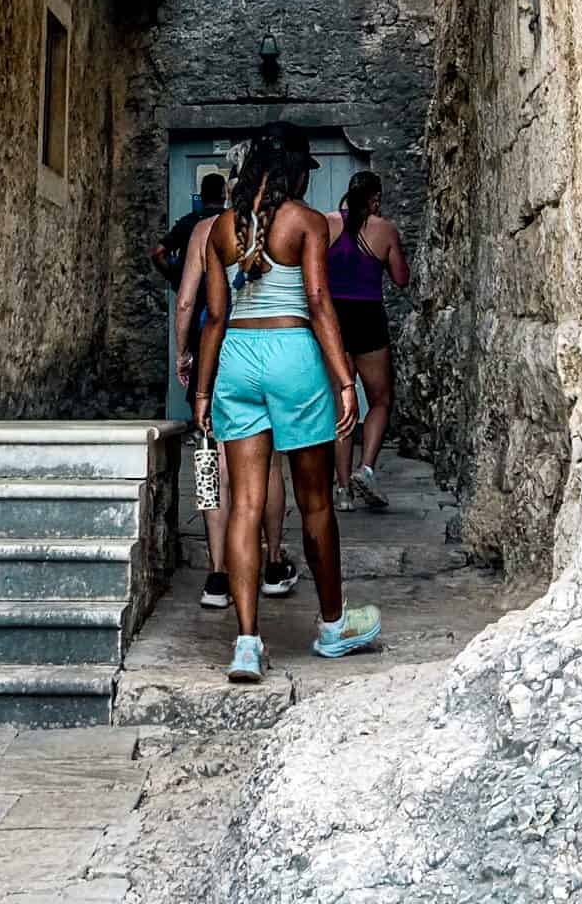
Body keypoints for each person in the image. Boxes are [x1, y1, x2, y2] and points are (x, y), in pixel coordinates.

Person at [194, 126, 382, 684]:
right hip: (294, 356)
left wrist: (203, 391)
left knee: (245, 504)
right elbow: (320, 301)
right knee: (315, 500)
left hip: (237, 361)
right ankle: (331, 626)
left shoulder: (221, 229)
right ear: (296, 171)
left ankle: (247, 644)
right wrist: (345, 379)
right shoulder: (306, 222)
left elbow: (214, 318)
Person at [174, 168, 298, 608]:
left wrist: (183, 353)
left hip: (216, 355)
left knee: (212, 462)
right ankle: (274, 561)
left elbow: (188, 299)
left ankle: (217, 573)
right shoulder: (275, 224)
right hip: (260, 350)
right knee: (266, 464)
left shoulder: (207, 230)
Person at [326, 170, 410, 512]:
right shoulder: (385, 229)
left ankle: (343, 490)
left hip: (335, 321)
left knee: (343, 408)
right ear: (374, 198)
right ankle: (367, 468)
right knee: (380, 400)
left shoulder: (327, 223)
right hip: (369, 319)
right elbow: (401, 279)